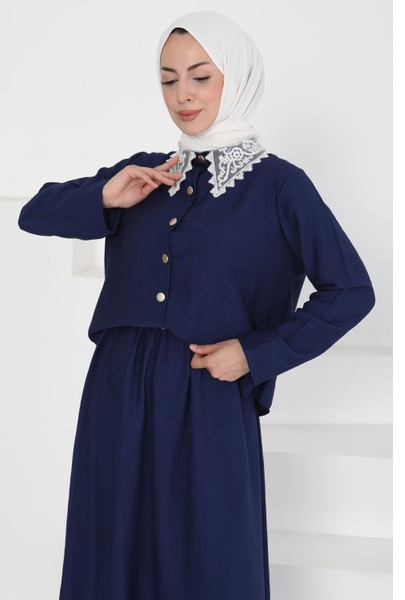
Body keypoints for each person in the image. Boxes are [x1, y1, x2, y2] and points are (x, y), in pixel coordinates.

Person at [18, 10, 375, 600]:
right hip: (117, 391)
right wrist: (106, 195)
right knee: (110, 549)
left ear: (236, 77)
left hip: (208, 394)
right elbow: (33, 213)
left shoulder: (280, 186)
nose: (182, 94)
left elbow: (352, 291)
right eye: (168, 78)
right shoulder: (146, 173)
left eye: (201, 76)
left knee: (208, 555)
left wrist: (256, 354)